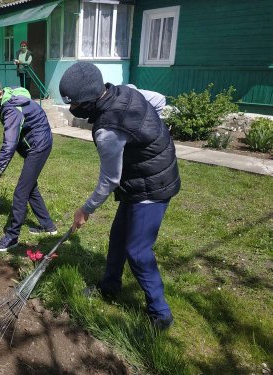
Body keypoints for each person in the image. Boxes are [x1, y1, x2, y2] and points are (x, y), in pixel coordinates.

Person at [59, 62, 181, 330]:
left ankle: (161, 314)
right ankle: (110, 287)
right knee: (118, 238)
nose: (72, 109)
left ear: (90, 100)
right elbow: (158, 101)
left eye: (75, 104)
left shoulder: (106, 130)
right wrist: (148, 138)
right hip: (138, 180)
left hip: (153, 184)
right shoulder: (126, 91)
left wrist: (86, 209)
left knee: (137, 251)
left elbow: (110, 179)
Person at [0, 76, 56, 252]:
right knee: (30, 187)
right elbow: (23, 92)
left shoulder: (11, 110)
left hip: (38, 146)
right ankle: (48, 226)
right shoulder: (10, 93)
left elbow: (9, 144)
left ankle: (12, 237)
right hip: (37, 141)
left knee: (20, 192)